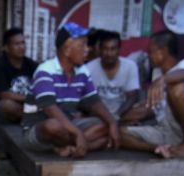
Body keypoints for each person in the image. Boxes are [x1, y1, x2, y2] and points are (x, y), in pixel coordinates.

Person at [21, 22, 120, 158]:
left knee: (105, 123)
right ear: (67, 49)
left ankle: (71, 146)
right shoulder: (45, 71)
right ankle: (85, 144)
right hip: (38, 132)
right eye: (82, 45)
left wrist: (112, 123)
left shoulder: (83, 71)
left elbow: (94, 102)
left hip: (68, 126)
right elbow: (51, 110)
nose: (88, 49)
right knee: (53, 126)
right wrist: (78, 134)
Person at [120, 30, 184, 158]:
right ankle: (158, 149)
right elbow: (152, 109)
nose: (149, 55)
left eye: (151, 51)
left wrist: (163, 80)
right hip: (169, 132)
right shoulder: (156, 73)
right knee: (119, 133)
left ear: (162, 52)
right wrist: (123, 118)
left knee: (178, 89)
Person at [86, 30, 140, 121]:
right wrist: (107, 117)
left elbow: (132, 96)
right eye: (105, 49)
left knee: (144, 109)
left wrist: (116, 116)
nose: (109, 53)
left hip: (123, 113)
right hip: (98, 115)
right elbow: (88, 100)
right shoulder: (89, 68)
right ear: (100, 50)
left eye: (113, 49)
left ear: (119, 50)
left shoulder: (130, 66)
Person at [0, 27, 38, 124]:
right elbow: (3, 94)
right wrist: (30, 98)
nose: (21, 47)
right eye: (17, 44)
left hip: (27, 107)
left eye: (23, 43)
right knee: (8, 105)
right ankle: (33, 119)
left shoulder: (31, 64)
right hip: (2, 109)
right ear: (6, 48)